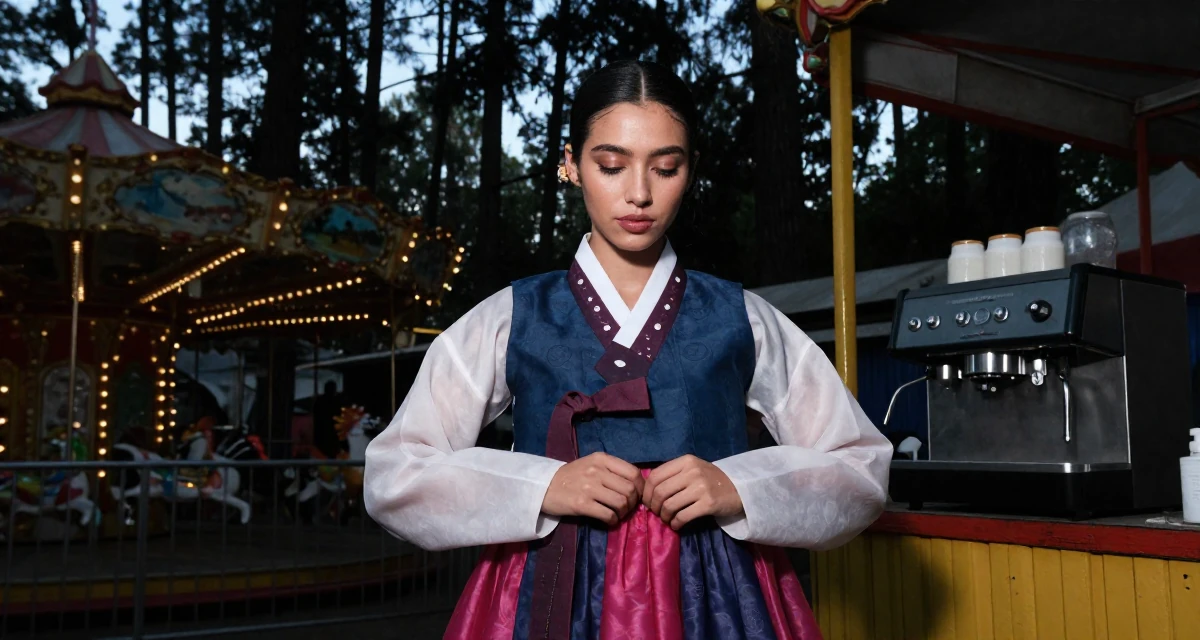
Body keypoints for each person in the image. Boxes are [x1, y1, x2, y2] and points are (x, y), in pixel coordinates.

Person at [364, 60, 891, 640]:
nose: (638, 194)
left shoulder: (742, 318)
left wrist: (739, 486)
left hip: (714, 595)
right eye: (611, 165)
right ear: (570, 163)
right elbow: (395, 472)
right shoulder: (511, 317)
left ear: (690, 171)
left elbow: (859, 464)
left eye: (665, 168)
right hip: (549, 587)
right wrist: (542, 486)